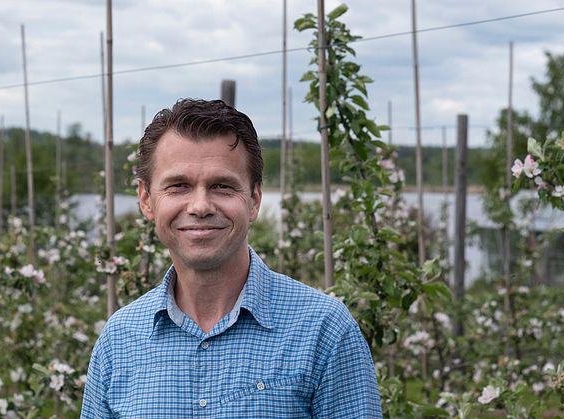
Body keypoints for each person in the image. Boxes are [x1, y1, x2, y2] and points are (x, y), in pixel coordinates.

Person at [81, 99, 382, 418]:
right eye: (178, 186)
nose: (200, 206)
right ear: (146, 199)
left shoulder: (324, 328)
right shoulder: (120, 339)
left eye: (222, 186)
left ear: (253, 200)